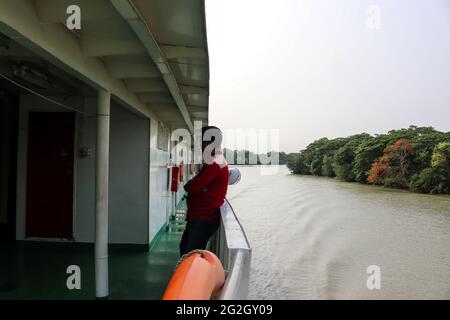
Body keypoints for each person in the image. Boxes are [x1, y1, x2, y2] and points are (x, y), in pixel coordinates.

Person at [179, 126, 229, 256]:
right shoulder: (215, 160)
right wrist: (198, 186)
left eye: (201, 141)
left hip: (204, 218)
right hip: (201, 216)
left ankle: (190, 277)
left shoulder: (214, 162)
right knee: (186, 249)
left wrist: (194, 186)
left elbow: (193, 187)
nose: (199, 145)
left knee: (189, 254)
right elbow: (197, 185)